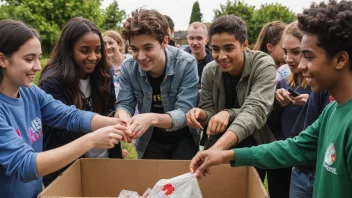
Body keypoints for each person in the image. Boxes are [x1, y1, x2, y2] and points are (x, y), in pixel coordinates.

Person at [190, 1, 352, 197]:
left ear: (341, 60)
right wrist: (225, 155)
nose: (300, 66)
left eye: (307, 57)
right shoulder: (332, 111)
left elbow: (255, 109)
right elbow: (294, 147)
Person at [0, 19, 129, 198]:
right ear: (2, 59)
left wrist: (118, 123)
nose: (38, 67)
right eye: (29, 59)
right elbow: (24, 164)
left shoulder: (31, 92)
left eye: (38, 58)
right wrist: (91, 140)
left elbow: (70, 115)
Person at [186, 15, 277, 181]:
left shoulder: (263, 64)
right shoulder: (209, 71)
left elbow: (255, 110)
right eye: (215, 49)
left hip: (253, 145)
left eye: (229, 48)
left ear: (244, 45)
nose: (221, 56)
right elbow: (210, 113)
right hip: (218, 146)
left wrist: (228, 115)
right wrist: (202, 115)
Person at [39, 17, 124, 187]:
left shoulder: (104, 72)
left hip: (104, 157)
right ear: (69, 49)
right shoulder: (52, 81)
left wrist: (119, 121)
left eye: (98, 50)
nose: (93, 57)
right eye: (85, 51)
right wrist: (96, 134)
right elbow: (60, 126)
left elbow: (110, 107)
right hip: (67, 165)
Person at [115, 9, 199, 159]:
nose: (140, 56)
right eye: (134, 49)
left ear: (164, 41)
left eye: (148, 48)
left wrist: (151, 118)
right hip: (150, 138)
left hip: (183, 136)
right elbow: (125, 103)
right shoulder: (128, 67)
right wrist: (122, 115)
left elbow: (185, 111)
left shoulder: (186, 63)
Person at [267, 21, 311, 198]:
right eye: (285, 52)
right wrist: (277, 104)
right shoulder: (282, 83)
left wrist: (312, 102)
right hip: (283, 159)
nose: (288, 58)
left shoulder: (322, 88)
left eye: (296, 52)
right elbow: (270, 127)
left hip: (308, 164)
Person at [185, 22, 213, 88]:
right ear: (187, 39)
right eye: (191, 38)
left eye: (199, 38)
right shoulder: (179, 62)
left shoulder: (214, 62)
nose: (195, 43)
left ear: (207, 40)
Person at [103, 30, 129, 98]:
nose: (107, 47)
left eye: (110, 43)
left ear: (119, 44)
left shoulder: (131, 62)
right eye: (104, 44)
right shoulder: (103, 67)